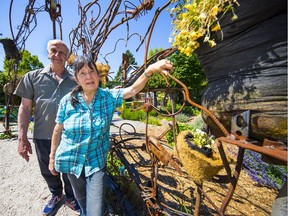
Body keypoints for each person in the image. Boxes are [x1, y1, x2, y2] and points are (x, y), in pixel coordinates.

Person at [48, 55, 173, 215]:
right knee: (82, 202)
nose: (88, 77)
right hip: (71, 160)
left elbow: (133, 90)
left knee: (96, 211)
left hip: (95, 161)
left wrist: (148, 71)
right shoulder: (68, 101)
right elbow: (57, 130)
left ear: (98, 75)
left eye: (91, 71)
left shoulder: (108, 97)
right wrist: (52, 158)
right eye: (82, 73)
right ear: (77, 79)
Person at [14, 39, 81, 215]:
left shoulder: (75, 81)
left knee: (69, 169)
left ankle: (71, 197)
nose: (58, 55)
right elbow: (25, 107)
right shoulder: (32, 77)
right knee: (47, 169)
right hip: (42, 134)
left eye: (62, 53)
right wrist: (22, 137)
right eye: (54, 51)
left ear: (67, 57)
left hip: (69, 136)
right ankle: (56, 194)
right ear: (48, 52)